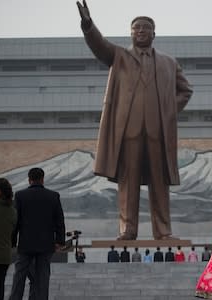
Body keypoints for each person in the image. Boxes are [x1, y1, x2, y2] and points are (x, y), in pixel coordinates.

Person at [76, 0, 193, 241]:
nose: (141, 31)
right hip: (128, 131)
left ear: (154, 33)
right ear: (131, 33)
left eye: (145, 28)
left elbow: (186, 91)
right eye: (136, 28)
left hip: (158, 132)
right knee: (128, 183)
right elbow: (99, 45)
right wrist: (88, 25)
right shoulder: (119, 56)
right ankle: (127, 230)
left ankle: (163, 231)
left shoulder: (169, 62)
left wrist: (169, 110)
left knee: (159, 183)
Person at [9, 168, 65, 300]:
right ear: (43, 179)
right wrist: (60, 241)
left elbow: (15, 221)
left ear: (29, 180)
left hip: (25, 244)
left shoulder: (20, 195)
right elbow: (59, 220)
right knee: (43, 277)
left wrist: (12, 241)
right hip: (46, 244)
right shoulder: (53, 196)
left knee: (19, 275)